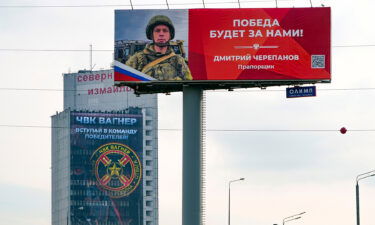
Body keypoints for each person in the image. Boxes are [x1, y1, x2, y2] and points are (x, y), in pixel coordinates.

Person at [126, 15, 193, 81]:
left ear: (170, 35)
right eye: (157, 31)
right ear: (151, 35)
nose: (161, 34)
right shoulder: (137, 60)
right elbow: (125, 82)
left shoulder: (178, 61)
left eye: (165, 30)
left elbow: (188, 84)